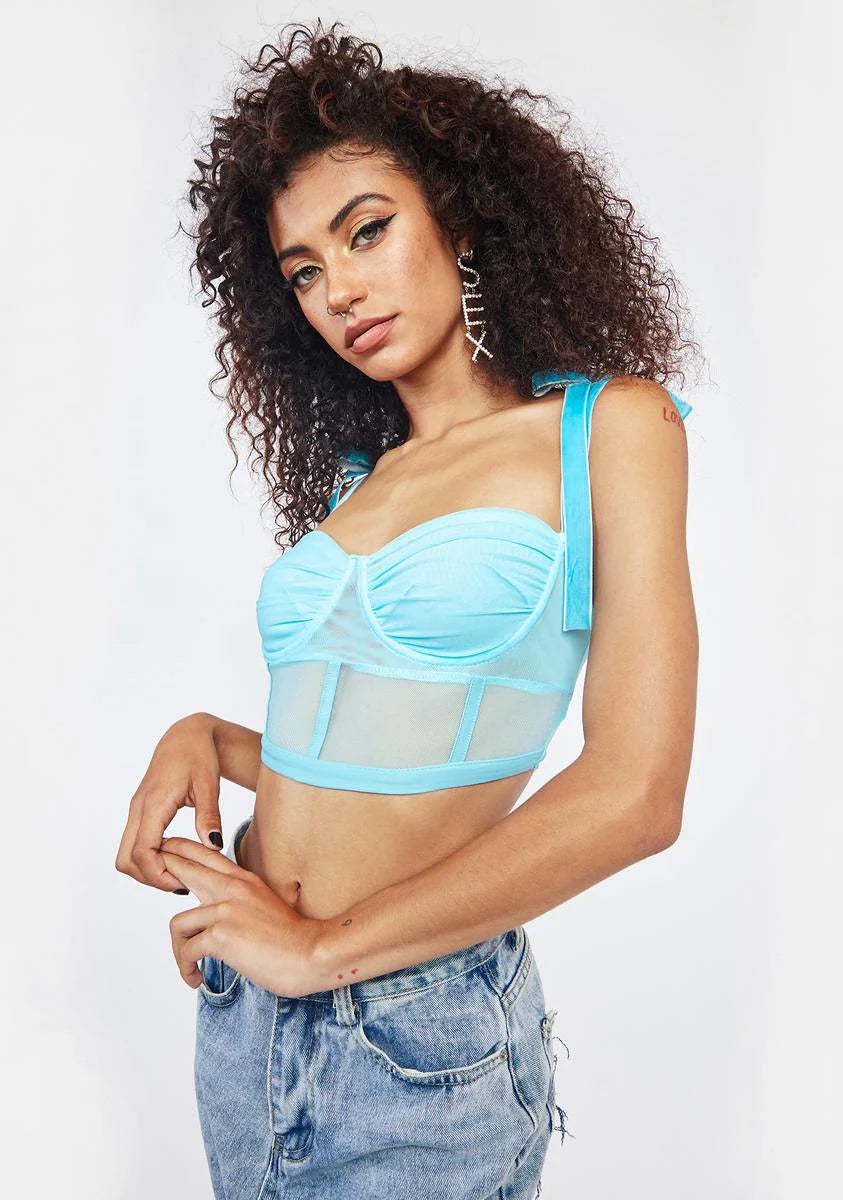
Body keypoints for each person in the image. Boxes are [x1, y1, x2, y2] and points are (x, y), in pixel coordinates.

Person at [115, 19, 701, 1199]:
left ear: (461, 220)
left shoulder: (607, 430)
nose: (339, 290)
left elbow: (638, 792)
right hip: (244, 1012)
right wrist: (209, 737)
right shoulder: (360, 479)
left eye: (367, 230)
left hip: (412, 1041)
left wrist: (322, 950)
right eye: (303, 271)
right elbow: (382, 756)